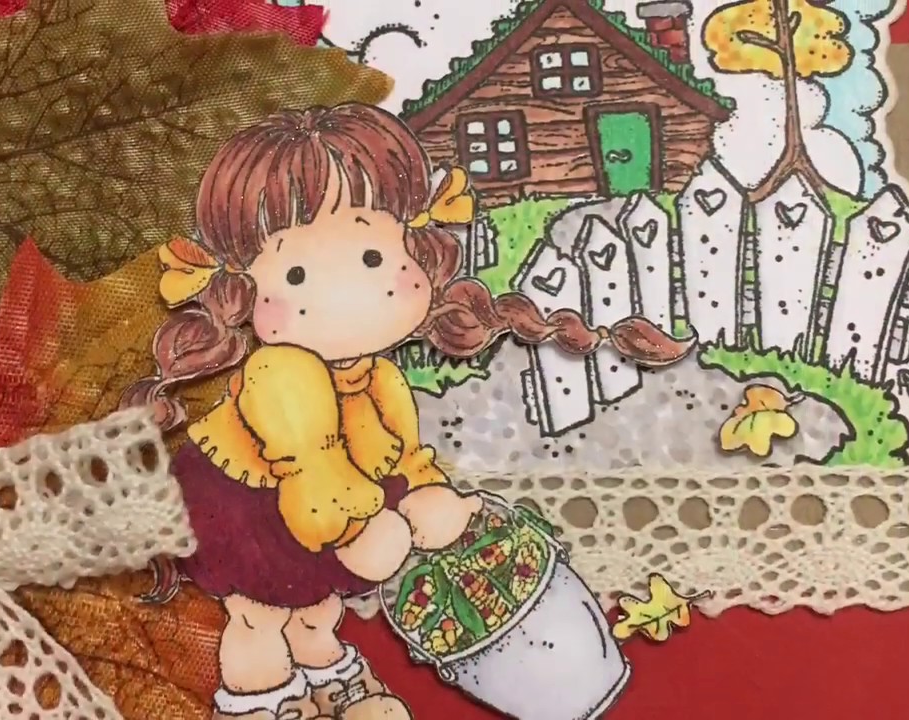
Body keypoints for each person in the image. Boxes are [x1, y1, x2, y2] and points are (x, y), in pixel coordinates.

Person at [121, 103, 693, 720]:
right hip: (245, 501)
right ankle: (259, 704)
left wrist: (429, 498)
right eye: (297, 272)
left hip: (325, 507)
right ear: (242, 292)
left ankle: (334, 689)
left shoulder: (382, 379)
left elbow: (403, 454)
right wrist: (356, 531)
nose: (348, 294)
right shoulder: (280, 372)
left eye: (373, 258)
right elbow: (315, 473)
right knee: (259, 617)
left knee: (318, 611)